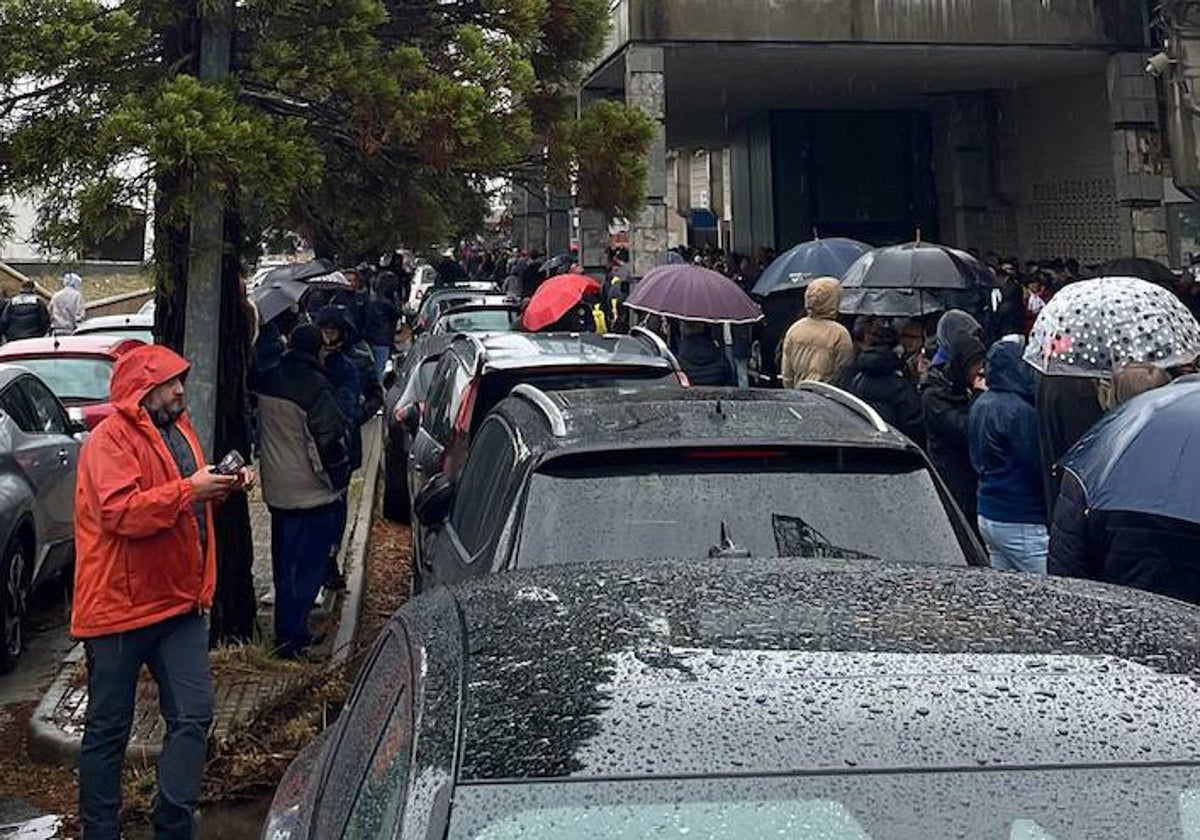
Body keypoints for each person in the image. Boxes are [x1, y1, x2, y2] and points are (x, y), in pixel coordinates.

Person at [73, 344, 254, 839]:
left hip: (179, 603)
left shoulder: (181, 430)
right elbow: (122, 513)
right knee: (108, 730)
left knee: (194, 718)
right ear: (143, 391)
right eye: (172, 382)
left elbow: (184, 506)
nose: (181, 389)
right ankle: (100, 830)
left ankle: (173, 824)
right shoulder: (108, 441)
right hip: (118, 610)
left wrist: (221, 484)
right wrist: (190, 491)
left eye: (181, 380)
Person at [256, 324, 351, 658]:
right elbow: (326, 446)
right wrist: (337, 482)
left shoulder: (267, 379)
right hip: (312, 495)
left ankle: (285, 630)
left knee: (284, 569)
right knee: (308, 570)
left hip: (277, 491)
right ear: (317, 350)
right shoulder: (316, 388)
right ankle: (293, 638)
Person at [968, 340, 1047, 573]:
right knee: (1051, 593)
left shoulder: (981, 404)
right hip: (1021, 515)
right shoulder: (1021, 412)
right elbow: (1034, 465)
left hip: (988, 510)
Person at [922, 328, 986, 527]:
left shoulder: (964, 389)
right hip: (952, 479)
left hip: (973, 479)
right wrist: (978, 397)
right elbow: (964, 431)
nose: (980, 370)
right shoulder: (935, 397)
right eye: (975, 364)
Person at [841, 321, 925, 446]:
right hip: (894, 447)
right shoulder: (900, 386)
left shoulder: (858, 378)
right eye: (904, 337)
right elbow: (915, 425)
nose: (907, 342)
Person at [780, 277, 853, 386]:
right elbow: (843, 370)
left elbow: (787, 370)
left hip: (798, 393)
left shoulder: (795, 328)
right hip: (826, 396)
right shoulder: (840, 333)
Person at [363, 271, 401, 379]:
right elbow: (396, 313)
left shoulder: (372, 299)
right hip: (382, 340)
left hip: (373, 339)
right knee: (378, 370)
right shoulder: (386, 301)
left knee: (375, 368)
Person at [675, 320, 735, 386]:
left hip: (692, 384)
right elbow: (727, 373)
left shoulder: (683, 350)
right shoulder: (714, 347)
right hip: (716, 382)